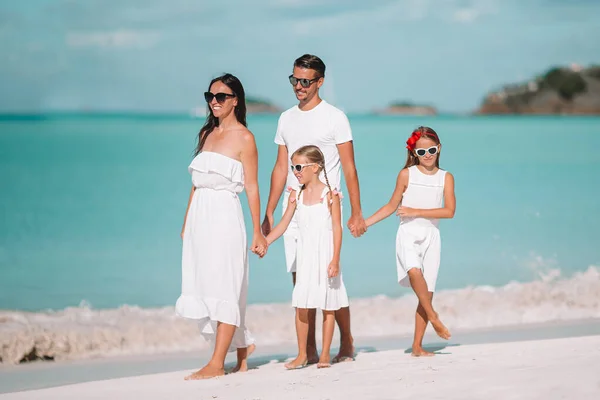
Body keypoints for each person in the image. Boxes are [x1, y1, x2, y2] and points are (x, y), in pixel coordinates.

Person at [261, 54, 365, 364]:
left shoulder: (335, 117)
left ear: (320, 82)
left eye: (306, 81)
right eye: (294, 80)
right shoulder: (285, 118)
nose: (299, 86)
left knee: (329, 278)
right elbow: (281, 168)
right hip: (293, 206)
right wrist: (269, 212)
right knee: (300, 276)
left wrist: (356, 212)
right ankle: (306, 350)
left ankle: (345, 341)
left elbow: (349, 167)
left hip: (325, 206)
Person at [176, 73, 267, 379]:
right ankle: (242, 346)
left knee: (226, 285)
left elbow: (252, 186)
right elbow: (195, 184)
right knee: (206, 284)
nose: (214, 101)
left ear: (235, 101)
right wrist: (187, 221)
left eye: (221, 97)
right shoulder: (207, 134)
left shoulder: (245, 138)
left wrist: (258, 231)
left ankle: (216, 364)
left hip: (226, 216)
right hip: (200, 218)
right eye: (210, 96)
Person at [365, 126, 454, 356]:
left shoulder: (446, 177)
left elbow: (449, 211)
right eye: (421, 152)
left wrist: (415, 209)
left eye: (431, 150)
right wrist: (365, 223)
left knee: (428, 292)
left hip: (432, 236)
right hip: (408, 233)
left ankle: (417, 346)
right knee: (414, 272)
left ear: (439, 148)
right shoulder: (406, 174)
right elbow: (390, 206)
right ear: (414, 152)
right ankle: (434, 317)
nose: (427, 156)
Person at [260, 145, 349, 369]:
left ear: (316, 167)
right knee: (301, 304)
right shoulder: (295, 195)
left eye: (299, 166)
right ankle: (302, 354)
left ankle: (326, 354)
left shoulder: (330, 195)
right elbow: (283, 224)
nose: (295, 171)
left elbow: (337, 229)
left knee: (328, 304)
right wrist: (266, 241)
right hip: (306, 254)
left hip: (326, 253)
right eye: (293, 167)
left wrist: (335, 259)